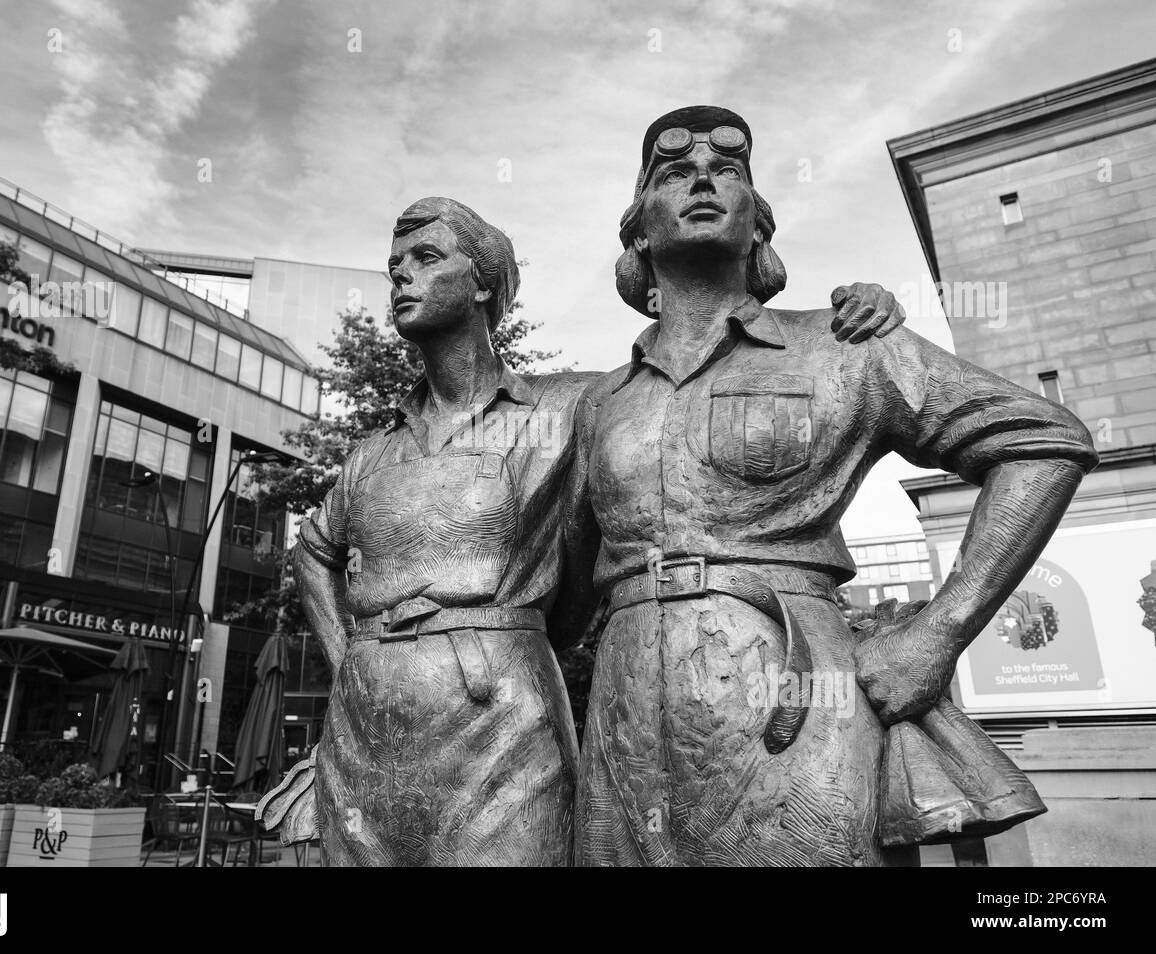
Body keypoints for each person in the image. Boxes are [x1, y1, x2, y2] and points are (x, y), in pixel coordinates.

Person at [284, 195, 909, 866]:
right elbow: (313, 551)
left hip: (497, 713)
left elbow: (686, 381)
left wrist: (849, 322)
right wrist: (346, 656)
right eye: (394, 266)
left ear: (484, 282)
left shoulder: (576, 402)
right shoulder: (373, 450)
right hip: (366, 719)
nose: (401, 276)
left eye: (426, 258)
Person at [569, 106, 1099, 866]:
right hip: (626, 708)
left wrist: (940, 630)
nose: (703, 179)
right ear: (640, 232)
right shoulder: (600, 402)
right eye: (673, 172)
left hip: (797, 692)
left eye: (730, 171)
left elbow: (1044, 443)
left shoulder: (845, 347)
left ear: (758, 228)